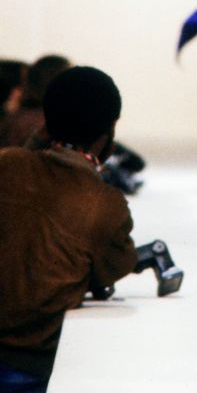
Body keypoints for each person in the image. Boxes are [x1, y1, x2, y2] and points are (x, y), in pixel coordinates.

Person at [0, 66, 137, 391]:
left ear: (46, 122)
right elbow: (116, 267)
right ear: (109, 133)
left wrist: (37, 143)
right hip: (30, 365)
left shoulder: (7, 164)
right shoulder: (105, 205)